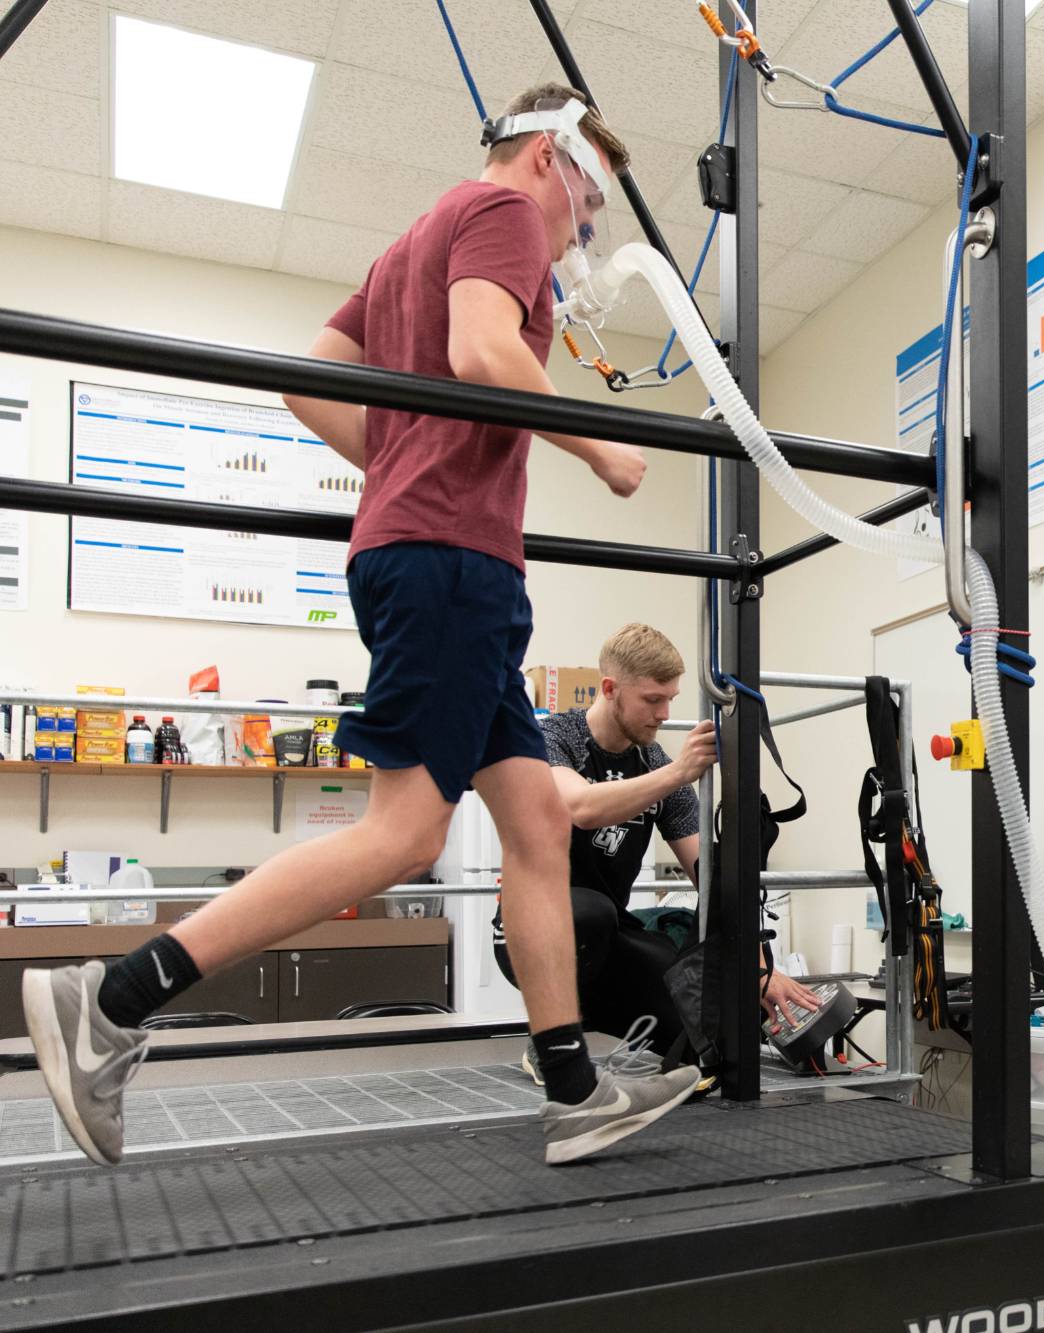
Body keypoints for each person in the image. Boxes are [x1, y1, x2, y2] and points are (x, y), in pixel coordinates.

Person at [21, 83, 692, 1169]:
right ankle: (110, 995)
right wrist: (598, 444)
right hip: (452, 564)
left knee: (531, 827)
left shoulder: (408, 244)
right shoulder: (505, 214)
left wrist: (399, 466)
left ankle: (571, 1086)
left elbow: (314, 380)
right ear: (547, 158)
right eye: (588, 200)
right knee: (406, 834)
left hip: (431, 552)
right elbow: (482, 355)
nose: (584, 230)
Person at [500, 623, 823, 1083]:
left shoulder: (652, 764)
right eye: (653, 700)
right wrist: (678, 773)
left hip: (607, 935)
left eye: (670, 698)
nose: (664, 712)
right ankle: (551, 1037)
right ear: (610, 689)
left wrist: (760, 972)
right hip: (527, 930)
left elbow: (709, 880)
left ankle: (589, 1012)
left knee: (697, 1032)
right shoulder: (555, 739)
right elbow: (579, 807)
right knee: (588, 911)